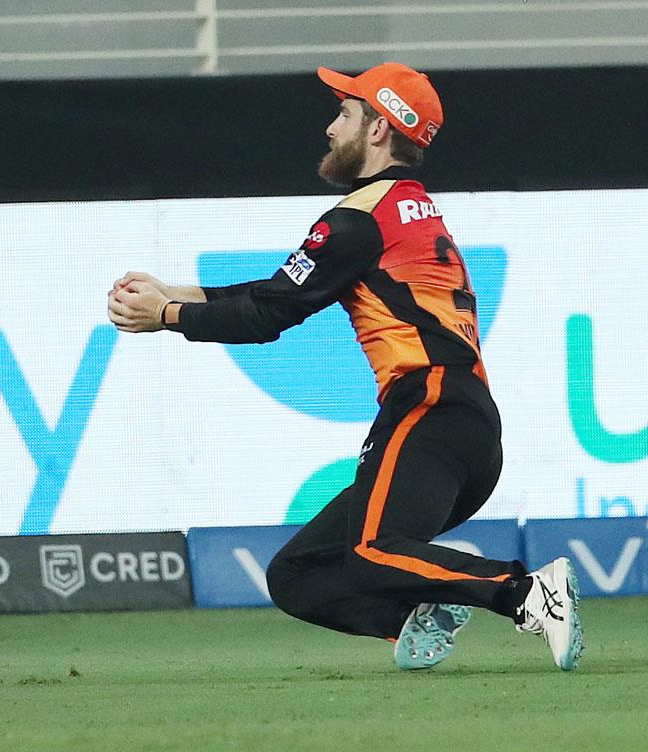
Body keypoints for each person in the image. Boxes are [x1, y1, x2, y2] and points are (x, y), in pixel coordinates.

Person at [107, 62, 583, 671]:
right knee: (297, 575)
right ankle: (415, 615)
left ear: (380, 129)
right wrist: (183, 293)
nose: (332, 127)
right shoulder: (401, 209)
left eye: (346, 113)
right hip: (460, 426)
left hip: (428, 410)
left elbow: (267, 318)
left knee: (371, 550)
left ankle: (524, 593)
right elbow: (280, 292)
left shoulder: (356, 221)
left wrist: (167, 315)